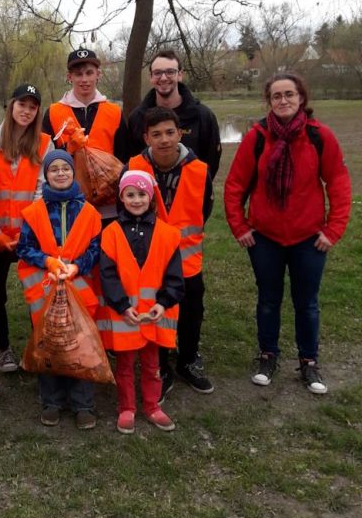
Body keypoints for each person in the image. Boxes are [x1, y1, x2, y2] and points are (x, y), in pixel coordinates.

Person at [224, 72, 351, 394]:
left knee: (306, 302)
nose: (283, 101)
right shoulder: (257, 137)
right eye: (277, 96)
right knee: (268, 300)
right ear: (269, 101)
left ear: (301, 98)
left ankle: (309, 362)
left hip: (309, 238)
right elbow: (236, 184)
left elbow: (337, 182)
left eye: (289, 95)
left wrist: (333, 230)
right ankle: (268, 356)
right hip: (265, 237)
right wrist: (240, 226)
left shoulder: (319, 136)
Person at [127, 107, 214, 396]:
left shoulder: (199, 170)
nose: (163, 139)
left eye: (169, 132)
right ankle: (160, 366)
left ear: (179, 133)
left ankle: (188, 361)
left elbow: (205, 209)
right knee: (156, 311)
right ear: (146, 137)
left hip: (187, 258)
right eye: (156, 134)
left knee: (191, 311)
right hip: (150, 259)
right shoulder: (135, 166)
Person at [16, 149, 102, 429]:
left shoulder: (89, 212)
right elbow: (24, 248)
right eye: (54, 169)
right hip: (45, 290)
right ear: (46, 176)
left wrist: (78, 266)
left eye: (65, 168)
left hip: (80, 288)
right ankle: (51, 400)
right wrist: (48, 261)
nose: (61, 173)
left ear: (73, 172)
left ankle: (83, 403)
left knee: (81, 342)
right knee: (49, 342)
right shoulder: (33, 212)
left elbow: (95, 248)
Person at [98, 170, 184, 434]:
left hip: (154, 316)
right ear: (121, 198)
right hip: (125, 315)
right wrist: (122, 305)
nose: (136, 200)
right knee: (124, 365)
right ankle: (126, 408)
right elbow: (108, 274)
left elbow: (174, 275)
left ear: (151, 196)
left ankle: (152, 405)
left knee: (153, 364)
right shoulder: (111, 233)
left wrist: (164, 302)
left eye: (142, 194)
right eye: (130, 194)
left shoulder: (169, 234)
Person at [0, 83, 53, 373]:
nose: (26, 111)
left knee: (38, 290)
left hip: (30, 235)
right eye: (21, 104)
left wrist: (27, 231)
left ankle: (41, 346)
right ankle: (4, 348)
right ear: (10, 106)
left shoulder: (45, 144)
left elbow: (42, 189)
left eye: (32, 106)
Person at [42, 48, 129, 219]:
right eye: (78, 74)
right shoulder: (54, 112)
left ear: (98, 74)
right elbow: (45, 158)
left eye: (89, 73)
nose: (84, 79)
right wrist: (69, 149)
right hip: (66, 204)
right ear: (69, 77)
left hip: (109, 207)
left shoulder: (114, 112)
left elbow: (124, 157)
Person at [128, 49, 221, 180]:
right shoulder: (137, 118)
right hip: (148, 196)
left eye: (170, 72)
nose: (164, 78)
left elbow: (211, 162)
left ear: (180, 75)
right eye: (158, 73)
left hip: (191, 194)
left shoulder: (203, 116)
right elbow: (132, 162)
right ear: (151, 77)